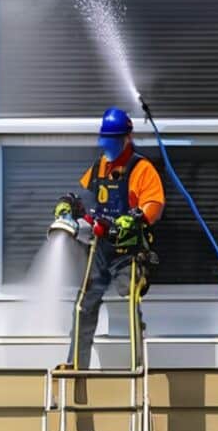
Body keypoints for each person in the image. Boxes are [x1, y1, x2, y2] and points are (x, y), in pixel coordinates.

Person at [55, 107, 165, 370]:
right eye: (106, 139)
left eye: (114, 140)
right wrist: (69, 207)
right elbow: (87, 199)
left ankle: (137, 363)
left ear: (127, 138)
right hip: (101, 247)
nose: (109, 145)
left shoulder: (141, 168)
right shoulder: (99, 167)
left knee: (128, 299)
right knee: (84, 303)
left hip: (129, 250)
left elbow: (155, 204)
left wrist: (136, 218)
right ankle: (76, 364)